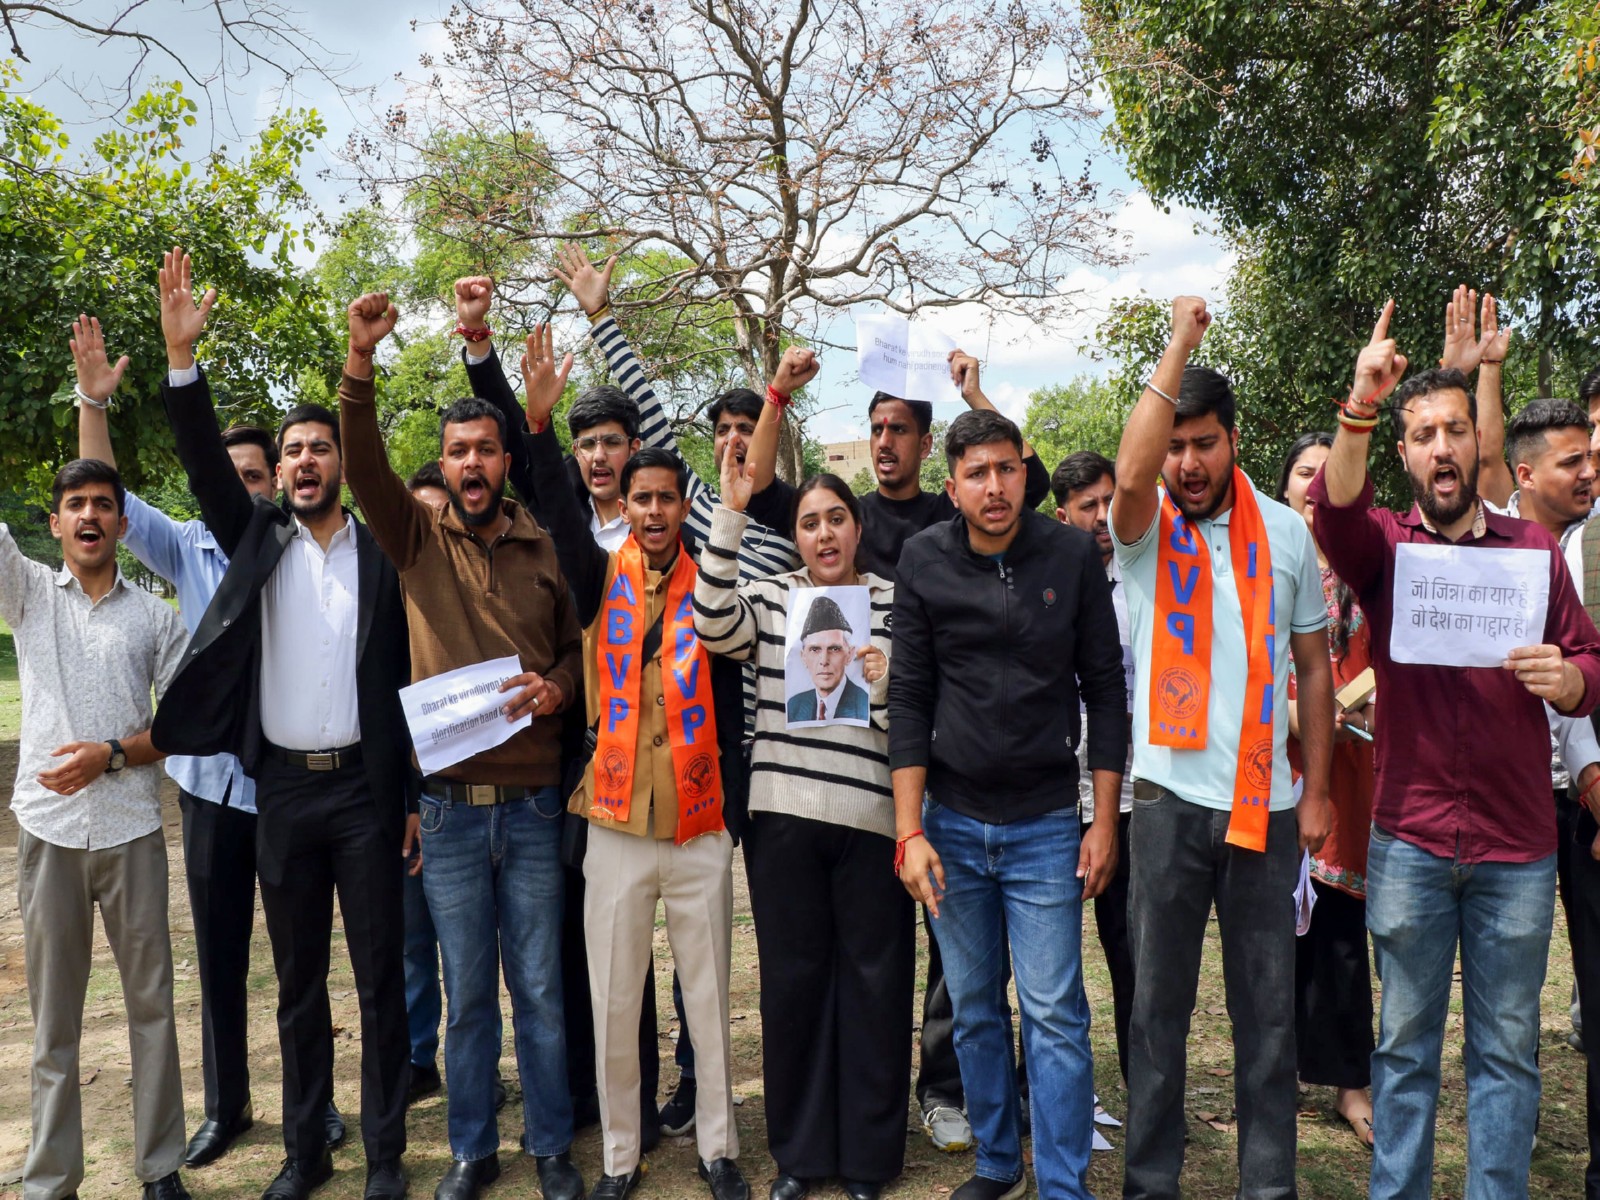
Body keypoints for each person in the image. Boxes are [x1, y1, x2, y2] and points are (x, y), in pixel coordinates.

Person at [1309, 301, 1600, 1198]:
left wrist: (1573, 680)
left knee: (1507, 1052)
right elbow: (1332, 506)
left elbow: (1589, 654)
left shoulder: (1533, 551)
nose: (1441, 447)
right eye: (1423, 434)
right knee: (1403, 1049)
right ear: (1404, 454)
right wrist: (1363, 402)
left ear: (1480, 443)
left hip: (1518, 847)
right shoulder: (1385, 552)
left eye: (1455, 430)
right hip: (1413, 841)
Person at [148, 249, 414, 1200]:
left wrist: (410, 798)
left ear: (342, 465)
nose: (304, 460)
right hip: (284, 791)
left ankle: (385, 1155)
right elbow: (207, 473)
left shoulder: (385, 557)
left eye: (319, 448)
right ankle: (308, 1154)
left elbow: (406, 684)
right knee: (298, 984)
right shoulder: (253, 540)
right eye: (291, 451)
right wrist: (185, 363)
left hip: (365, 795)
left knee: (379, 982)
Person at [70, 315, 353, 1166]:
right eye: (227, 476)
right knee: (221, 960)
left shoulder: (296, 551)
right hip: (205, 789)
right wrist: (94, 401)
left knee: (303, 960)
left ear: (274, 484)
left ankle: (318, 1107)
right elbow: (102, 488)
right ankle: (226, 1106)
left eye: (256, 475)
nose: (243, 486)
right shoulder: (183, 544)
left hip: (287, 787)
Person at [338, 295, 587, 1200]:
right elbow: (361, 464)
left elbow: (575, 650)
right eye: (458, 453)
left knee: (544, 994)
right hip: (446, 816)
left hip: (530, 812)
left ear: (506, 460)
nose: (472, 464)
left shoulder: (545, 544)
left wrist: (560, 684)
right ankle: (473, 1151)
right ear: (442, 466)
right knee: (468, 998)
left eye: (486, 449)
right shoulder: (413, 539)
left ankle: (551, 1146)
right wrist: (360, 362)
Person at [516, 324, 751, 1200]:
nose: (652, 512)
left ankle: (719, 1148)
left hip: (697, 823)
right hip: (613, 822)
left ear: (683, 505)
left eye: (666, 499)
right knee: (616, 1002)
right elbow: (550, 492)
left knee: (707, 998)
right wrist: (538, 429)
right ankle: (620, 1156)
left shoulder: (717, 583)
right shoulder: (593, 569)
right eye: (640, 499)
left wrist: (730, 506)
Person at [1109, 297, 1334, 1200]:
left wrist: (1315, 791)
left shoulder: (1286, 534)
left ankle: (1267, 1185)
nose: (1187, 462)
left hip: (1267, 810)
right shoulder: (1145, 534)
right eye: (1176, 444)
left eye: (1204, 443)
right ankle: (1151, 1183)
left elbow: (1314, 669)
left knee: (1268, 1018)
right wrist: (1179, 344)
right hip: (1165, 804)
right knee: (1158, 1013)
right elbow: (1126, 477)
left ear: (1234, 442)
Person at [891, 409, 1126, 1200]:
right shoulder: (922, 561)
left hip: (1045, 823)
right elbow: (910, 699)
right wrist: (909, 832)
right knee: (976, 1008)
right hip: (951, 824)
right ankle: (998, 1163)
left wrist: (1101, 820)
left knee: (1056, 1013)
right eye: (977, 473)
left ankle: (1063, 1183)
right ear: (951, 485)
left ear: (1026, 473)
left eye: (1007, 469)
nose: (995, 487)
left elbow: (1106, 689)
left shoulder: (1069, 554)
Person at [695, 346, 910, 1200]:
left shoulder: (894, 602)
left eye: (837, 520)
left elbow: (908, 718)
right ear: (798, 535)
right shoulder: (775, 597)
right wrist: (734, 514)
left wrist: (888, 679)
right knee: (792, 986)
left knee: (874, 987)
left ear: (858, 530)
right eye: (812, 521)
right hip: (782, 817)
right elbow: (713, 625)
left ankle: (866, 1159)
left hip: (871, 826)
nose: (824, 533)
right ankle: (800, 1158)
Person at [856, 352, 1053, 1154]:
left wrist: (976, 395)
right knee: (921, 956)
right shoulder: (857, 517)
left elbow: (1026, 483)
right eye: (874, 429)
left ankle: (975, 1094)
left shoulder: (976, 516)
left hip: (987, 775)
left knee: (978, 970)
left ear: (927, 439)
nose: (883, 441)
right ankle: (927, 1090)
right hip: (888, 760)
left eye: (900, 427)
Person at [3, 455, 190, 1200]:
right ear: (54, 524)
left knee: (151, 1007)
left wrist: (110, 756)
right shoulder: (26, 595)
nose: (88, 515)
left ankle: (160, 1168)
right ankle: (51, 1180)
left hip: (132, 830)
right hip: (47, 832)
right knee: (54, 1021)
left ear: (121, 522)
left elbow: (180, 727)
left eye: (103, 504)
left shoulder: (156, 619)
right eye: (74, 504)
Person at [1275, 432, 1377, 1149]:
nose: (1314, 486)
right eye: (1302, 474)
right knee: (1273, 931)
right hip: (1274, 764)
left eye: (1325, 474)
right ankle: (1273, 1070)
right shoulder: (1264, 565)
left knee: (1342, 930)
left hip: (1352, 767)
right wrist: (1304, 714)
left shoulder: (1371, 565)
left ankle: (1351, 1080)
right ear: (1283, 490)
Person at [1050, 450, 1136, 1096]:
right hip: (1053, 798)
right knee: (1046, 962)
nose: (1103, 518)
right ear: (1062, 515)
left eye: (1109, 501)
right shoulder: (1044, 585)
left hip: (1132, 801)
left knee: (1133, 953)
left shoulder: (1149, 582)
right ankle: (1045, 1089)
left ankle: (1147, 1087)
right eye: (1088, 507)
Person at [784, 597, 871, 724]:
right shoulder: (794, 705)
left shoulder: (864, 704)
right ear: (803, 657)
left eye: (834, 649)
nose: (824, 661)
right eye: (815, 649)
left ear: (849, 655)